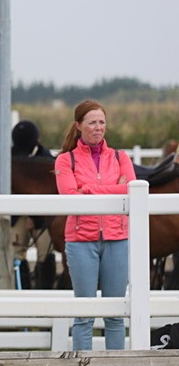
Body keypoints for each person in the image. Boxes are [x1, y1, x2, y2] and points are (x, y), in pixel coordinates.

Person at [54, 100, 134, 351]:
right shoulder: (66, 161)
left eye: (102, 122)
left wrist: (88, 189)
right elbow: (70, 197)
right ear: (79, 126)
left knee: (115, 313)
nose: (98, 127)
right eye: (92, 122)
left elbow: (131, 189)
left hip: (117, 238)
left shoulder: (121, 157)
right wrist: (113, 190)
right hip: (80, 241)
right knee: (84, 312)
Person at [7, 120, 54, 289]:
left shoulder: (47, 160)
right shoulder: (10, 158)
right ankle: (21, 291)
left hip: (42, 215)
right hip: (17, 214)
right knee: (15, 253)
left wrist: (35, 218)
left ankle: (46, 291)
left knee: (45, 253)